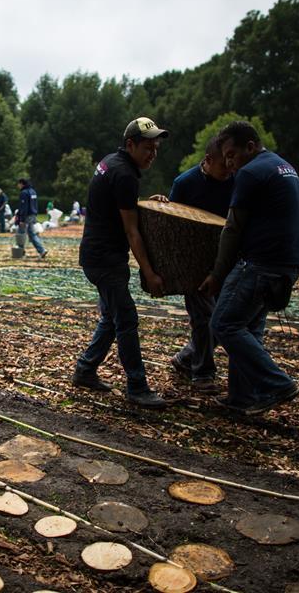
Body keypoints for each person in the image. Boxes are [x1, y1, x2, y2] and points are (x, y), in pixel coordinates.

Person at [199, 120, 299, 416]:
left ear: (250, 146)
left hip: (261, 263)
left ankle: (275, 384)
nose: (229, 163)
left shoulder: (250, 173)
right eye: (225, 157)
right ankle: (241, 398)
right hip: (288, 262)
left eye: (232, 154)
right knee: (248, 328)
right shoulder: (283, 167)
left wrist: (217, 275)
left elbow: (233, 229)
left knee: (223, 324)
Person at [74, 117, 170, 410]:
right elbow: (132, 231)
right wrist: (149, 272)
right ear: (130, 144)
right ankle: (137, 387)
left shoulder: (112, 162)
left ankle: (85, 370)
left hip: (96, 255)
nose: (152, 154)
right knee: (126, 318)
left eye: (156, 148)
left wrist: (143, 204)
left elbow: (120, 205)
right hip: (105, 259)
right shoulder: (125, 174)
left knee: (112, 317)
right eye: (147, 148)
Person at [167, 136, 235, 389]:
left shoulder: (236, 182)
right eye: (223, 164)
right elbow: (172, 224)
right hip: (194, 264)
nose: (229, 168)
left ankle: (186, 358)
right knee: (204, 319)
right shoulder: (185, 183)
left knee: (226, 318)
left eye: (231, 163)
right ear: (208, 160)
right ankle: (203, 372)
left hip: (225, 261)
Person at [16, 178, 48, 259]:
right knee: (32, 234)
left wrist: (22, 219)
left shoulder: (24, 193)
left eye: (18, 184)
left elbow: (24, 207)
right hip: (33, 215)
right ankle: (42, 250)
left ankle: (20, 253)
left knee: (20, 234)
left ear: (22, 184)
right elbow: (35, 204)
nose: (18, 186)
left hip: (26, 216)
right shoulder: (33, 191)